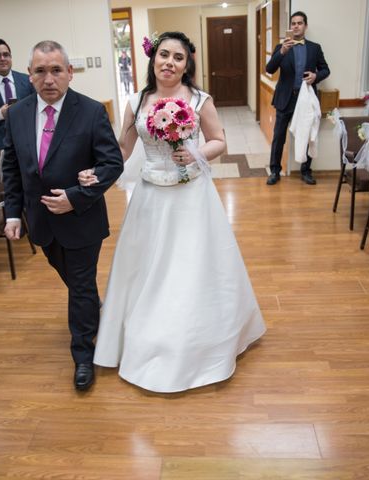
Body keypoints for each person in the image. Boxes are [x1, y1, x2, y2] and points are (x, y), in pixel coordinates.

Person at [82, 31, 266, 393]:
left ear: (187, 64)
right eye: (163, 54)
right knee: (150, 267)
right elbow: (122, 147)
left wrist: (196, 153)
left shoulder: (200, 100)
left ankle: (199, 338)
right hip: (151, 196)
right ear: (153, 59)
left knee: (192, 264)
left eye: (177, 57)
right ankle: (148, 334)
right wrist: (98, 171)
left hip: (192, 195)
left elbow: (219, 141)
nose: (169, 62)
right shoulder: (135, 101)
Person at [2, 40, 123, 391]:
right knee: (74, 282)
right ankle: (94, 311)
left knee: (80, 286)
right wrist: (12, 213)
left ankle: (84, 356)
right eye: (40, 71)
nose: (49, 78)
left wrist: (76, 196)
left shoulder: (90, 111)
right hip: (41, 222)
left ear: (70, 73)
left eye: (56, 70)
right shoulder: (18, 114)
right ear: (29, 76)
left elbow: (112, 163)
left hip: (82, 218)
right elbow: (12, 167)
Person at [265, 11, 330, 186]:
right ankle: (275, 171)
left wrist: (316, 77)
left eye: (299, 23)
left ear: (305, 26)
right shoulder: (282, 47)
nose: (296, 26)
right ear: (290, 27)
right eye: (293, 23)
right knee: (279, 136)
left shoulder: (315, 48)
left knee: (308, 135)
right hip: (285, 98)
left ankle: (306, 171)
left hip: (306, 100)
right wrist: (282, 52)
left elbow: (325, 69)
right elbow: (269, 69)